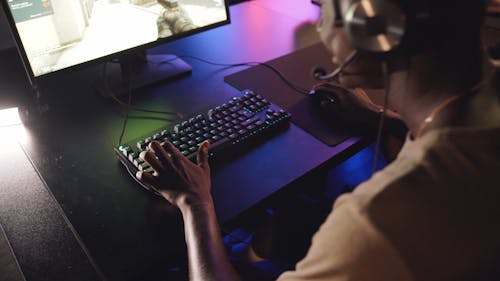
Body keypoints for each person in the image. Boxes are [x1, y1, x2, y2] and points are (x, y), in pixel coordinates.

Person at [136, 0, 500, 279]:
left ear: (372, 25)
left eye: (324, 5)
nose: (319, 24)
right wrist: (379, 120)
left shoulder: (375, 224)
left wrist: (195, 203)